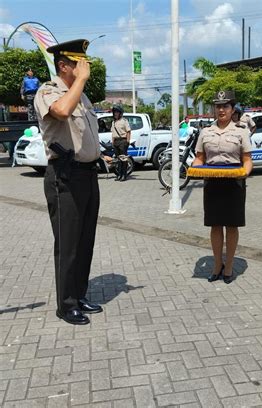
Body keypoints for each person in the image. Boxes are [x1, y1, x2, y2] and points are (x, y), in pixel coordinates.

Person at [34, 39, 102, 325]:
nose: (84, 67)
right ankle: (66, 304)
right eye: (79, 63)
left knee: (85, 241)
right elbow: (61, 112)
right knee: (68, 243)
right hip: (65, 176)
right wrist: (81, 82)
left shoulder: (82, 96)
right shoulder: (48, 90)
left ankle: (80, 294)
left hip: (88, 174)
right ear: (64, 66)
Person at [193, 91, 253, 284]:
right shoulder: (206, 132)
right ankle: (217, 264)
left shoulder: (241, 131)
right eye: (218, 106)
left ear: (232, 109)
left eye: (225, 106)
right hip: (212, 181)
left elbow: (247, 160)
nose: (221, 110)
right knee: (215, 224)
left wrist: (245, 172)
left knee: (232, 225)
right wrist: (194, 168)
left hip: (234, 182)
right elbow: (200, 157)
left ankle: (229, 266)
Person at [111, 105, 131, 181]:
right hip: (116, 141)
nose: (115, 113)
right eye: (114, 112)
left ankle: (124, 175)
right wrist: (113, 142)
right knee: (118, 160)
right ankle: (119, 175)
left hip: (122, 141)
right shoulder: (113, 122)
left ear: (120, 113)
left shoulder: (124, 121)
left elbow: (128, 131)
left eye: (117, 112)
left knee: (123, 159)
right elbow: (113, 133)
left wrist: (127, 141)